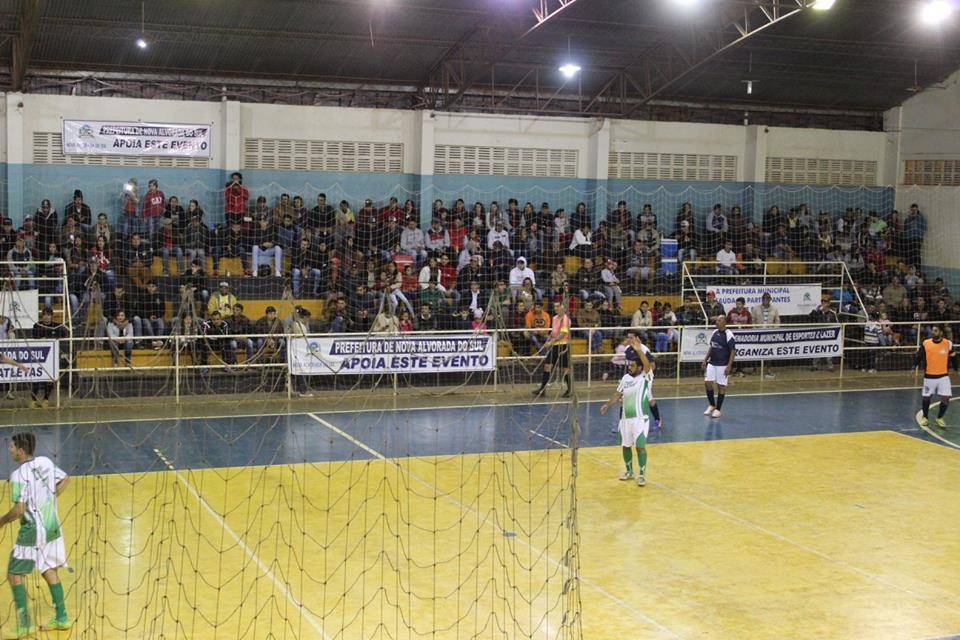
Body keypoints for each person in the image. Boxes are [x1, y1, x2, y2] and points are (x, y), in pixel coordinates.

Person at [0, 433, 71, 636]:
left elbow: (19, 510)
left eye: (12, 447)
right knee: (49, 568)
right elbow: (65, 478)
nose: (10, 450)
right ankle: (62, 617)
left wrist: (2, 521)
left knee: (13, 574)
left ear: (21, 451)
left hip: (32, 530)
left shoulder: (18, 475)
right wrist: (48, 499)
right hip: (52, 526)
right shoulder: (45, 462)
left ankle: (25, 624)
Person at [599, 346, 653, 486]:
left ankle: (642, 475)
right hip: (625, 420)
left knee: (640, 446)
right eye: (629, 365)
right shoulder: (625, 378)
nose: (630, 367)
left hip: (640, 419)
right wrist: (608, 404)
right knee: (625, 445)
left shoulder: (645, 378)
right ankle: (629, 472)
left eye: (633, 365)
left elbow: (647, 364)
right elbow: (618, 394)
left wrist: (639, 350)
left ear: (640, 368)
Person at [914, 324, 956, 428]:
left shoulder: (948, 344)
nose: (933, 332)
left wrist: (956, 369)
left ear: (941, 332)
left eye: (935, 331)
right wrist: (913, 366)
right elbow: (919, 355)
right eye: (932, 330)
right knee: (927, 397)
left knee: (946, 398)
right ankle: (925, 417)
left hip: (943, 376)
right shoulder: (926, 343)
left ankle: (939, 418)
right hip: (929, 376)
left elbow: (954, 356)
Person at [532, 303, 572, 398]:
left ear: (563, 307)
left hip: (563, 345)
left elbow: (562, 334)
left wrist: (550, 342)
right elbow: (554, 331)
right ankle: (542, 389)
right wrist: (549, 337)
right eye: (555, 306)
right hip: (554, 345)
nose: (556, 308)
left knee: (565, 369)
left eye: (558, 306)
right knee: (547, 366)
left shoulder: (565, 319)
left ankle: (570, 389)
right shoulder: (554, 318)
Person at [702, 314, 736, 418]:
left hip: (723, 364)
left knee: (721, 386)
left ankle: (718, 409)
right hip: (712, 363)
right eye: (716, 320)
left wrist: (729, 366)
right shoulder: (714, 332)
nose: (717, 322)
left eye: (719, 320)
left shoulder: (729, 335)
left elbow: (733, 351)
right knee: (707, 383)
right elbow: (712, 347)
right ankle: (712, 405)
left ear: (724, 322)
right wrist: (705, 359)